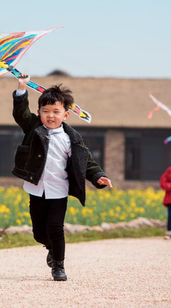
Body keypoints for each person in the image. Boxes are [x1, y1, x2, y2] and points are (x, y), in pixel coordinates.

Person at [11, 75, 112, 281]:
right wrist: (21, 88)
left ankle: (58, 265)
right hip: (36, 188)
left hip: (59, 191)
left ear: (66, 115)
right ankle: (50, 247)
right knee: (39, 233)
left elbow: (87, 161)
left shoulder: (71, 138)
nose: (50, 116)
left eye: (55, 112)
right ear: (38, 112)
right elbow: (20, 114)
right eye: (45, 111)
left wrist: (98, 176)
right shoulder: (33, 128)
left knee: (56, 228)